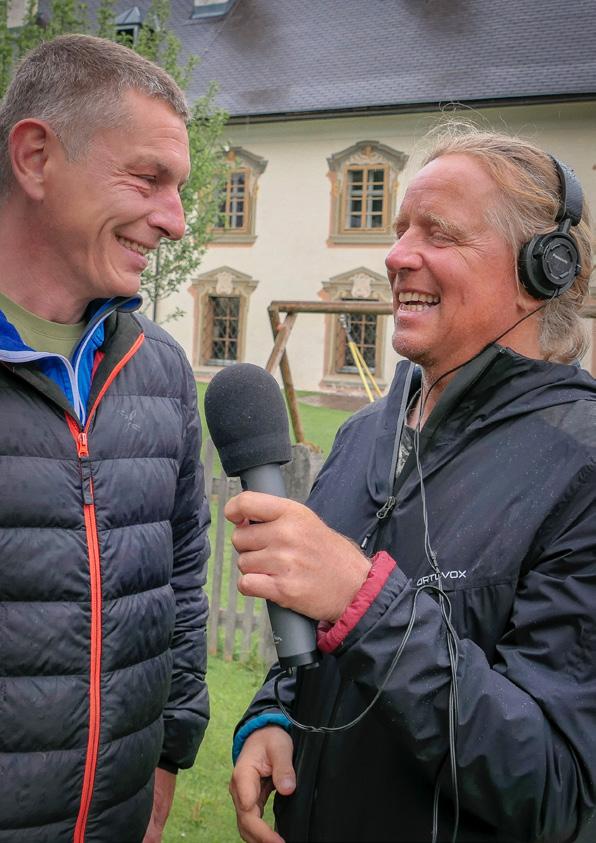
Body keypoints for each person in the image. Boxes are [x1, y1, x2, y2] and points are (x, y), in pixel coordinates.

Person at [227, 128, 596, 843]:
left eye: (439, 232)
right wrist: (273, 711)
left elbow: (558, 788)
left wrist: (363, 601)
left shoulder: (581, 468)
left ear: (543, 267)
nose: (397, 255)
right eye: (399, 230)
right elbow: (317, 639)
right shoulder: (365, 433)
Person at [0, 35, 210, 843]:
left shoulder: (160, 369)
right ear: (35, 157)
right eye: (148, 179)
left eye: (179, 188)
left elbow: (182, 580)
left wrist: (170, 750)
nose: (175, 220)